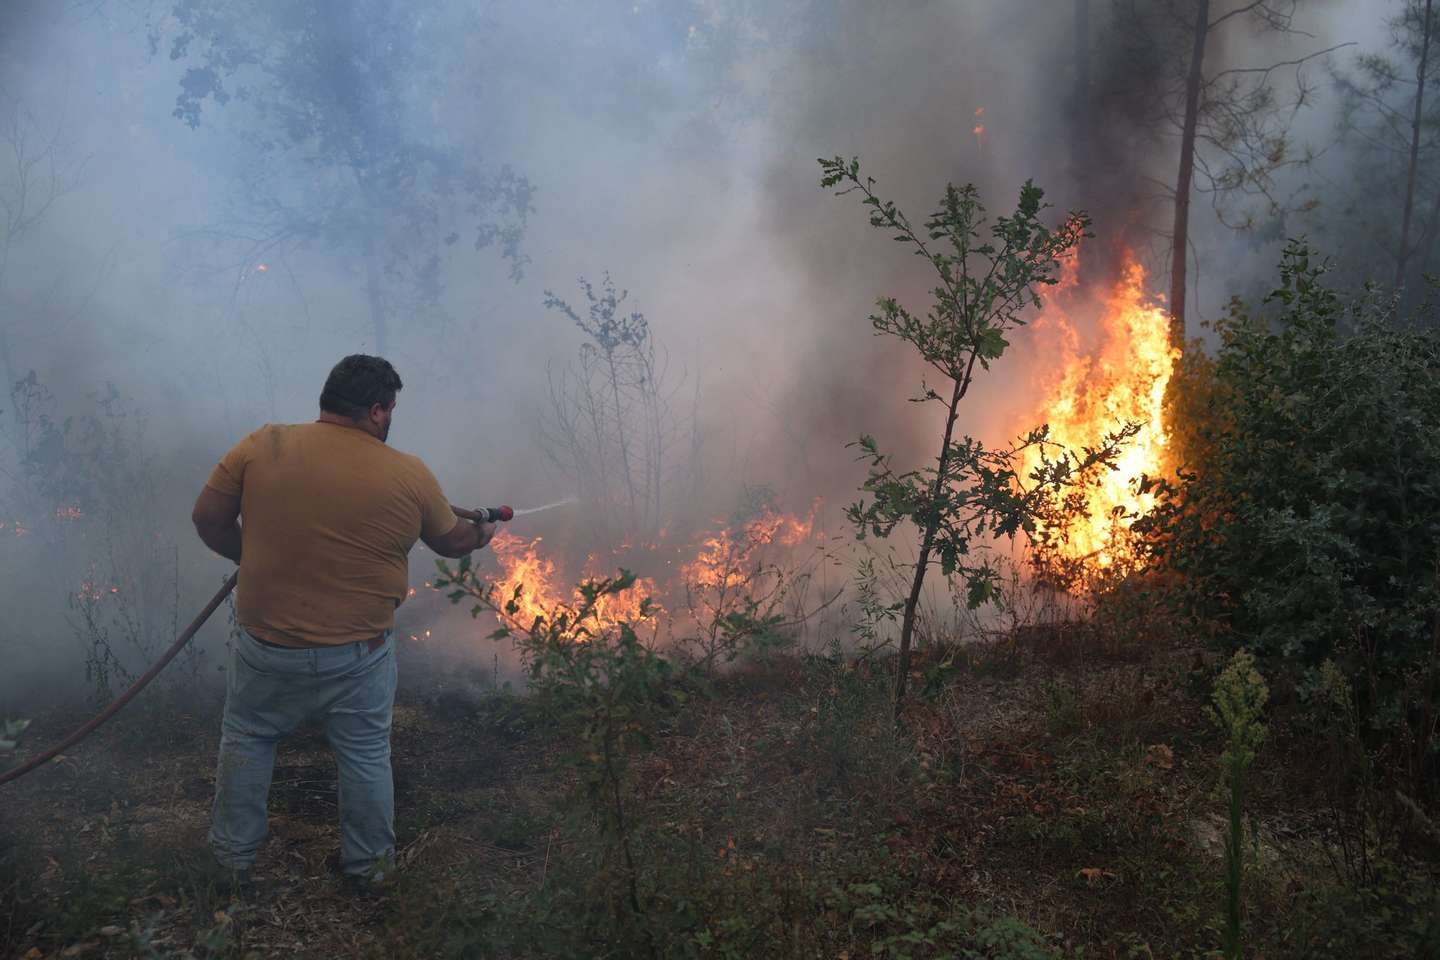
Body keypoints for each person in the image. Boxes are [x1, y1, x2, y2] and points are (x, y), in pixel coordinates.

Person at [191, 353, 493, 888]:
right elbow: (453, 541)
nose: (391, 419)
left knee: (249, 737)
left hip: (267, 644)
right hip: (359, 653)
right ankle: (369, 870)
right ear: (377, 411)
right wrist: (484, 531)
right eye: (391, 409)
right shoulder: (408, 472)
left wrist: (253, 554)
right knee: (365, 753)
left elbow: (208, 520)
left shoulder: (263, 445)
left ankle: (230, 862)